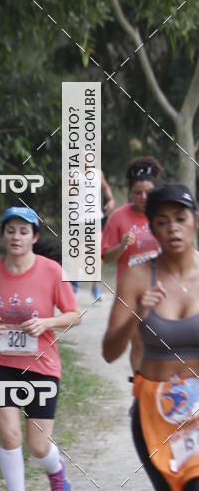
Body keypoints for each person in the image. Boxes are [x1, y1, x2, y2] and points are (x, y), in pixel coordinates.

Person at [102, 184, 199, 491]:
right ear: (152, 228)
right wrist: (137, 316)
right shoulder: (139, 275)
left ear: (194, 220)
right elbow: (108, 350)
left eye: (180, 218)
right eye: (162, 221)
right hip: (152, 413)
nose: (172, 228)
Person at [0, 206, 81, 491]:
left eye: (24, 231)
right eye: (11, 230)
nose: (16, 237)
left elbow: (74, 314)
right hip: (1, 364)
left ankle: (56, 469)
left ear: (35, 237)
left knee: (38, 446)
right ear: (3, 235)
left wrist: (46, 322)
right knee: (10, 436)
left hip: (42, 367)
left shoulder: (50, 271)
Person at [102, 156, 163, 372]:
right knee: (138, 341)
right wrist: (121, 246)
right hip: (131, 291)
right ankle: (140, 387)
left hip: (162, 287)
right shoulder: (119, 217)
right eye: (138, 193)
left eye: (148, 192)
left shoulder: (164, 213)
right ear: (130, 193)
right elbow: (105, 256)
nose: (143, 197)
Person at [71, 169, 115, 301]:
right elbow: (64, 197)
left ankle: (96, 286)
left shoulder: (98, 173)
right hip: (78, 219)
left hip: (95, 218)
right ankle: (75, 281)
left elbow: (105, 187)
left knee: (98, 252)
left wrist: (110, 200)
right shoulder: (73, 174)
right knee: (78, 253)